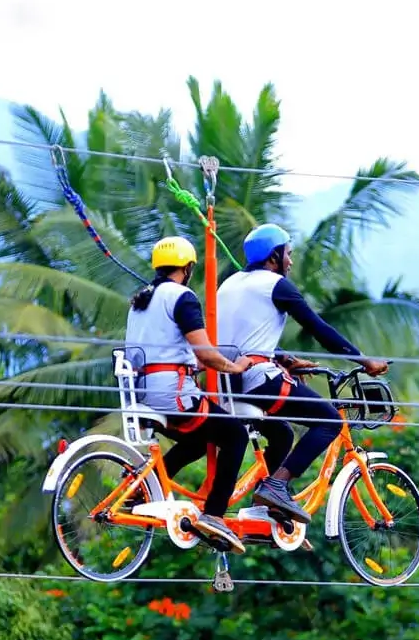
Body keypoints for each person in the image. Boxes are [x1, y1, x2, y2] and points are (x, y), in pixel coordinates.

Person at [216, 223, 389, 525]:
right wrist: (364, 361)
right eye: (288, 254)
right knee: (329, 420)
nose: (291, 261)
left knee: (282, 434)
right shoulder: (275, 285)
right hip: (258, 380)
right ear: (273, 256)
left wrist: (283, 357)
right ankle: (276, 485)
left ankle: (265, 510)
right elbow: (318, 327)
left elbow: (240, 334)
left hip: (226, 382)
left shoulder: (229, 284)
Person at [125, 235, 253, 553]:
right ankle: (214, 514)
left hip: (142, 393)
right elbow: (206, 354)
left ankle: (142, 489)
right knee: (235, 435)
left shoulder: (141, 299)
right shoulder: (182, 297)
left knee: (197, 442)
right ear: (188, 267)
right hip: (173, 396)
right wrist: (235, 368)